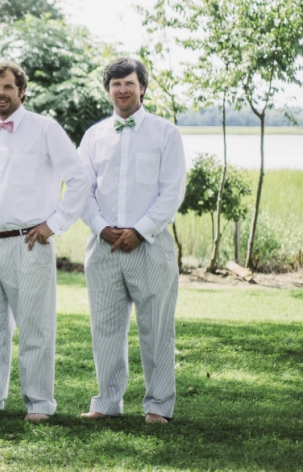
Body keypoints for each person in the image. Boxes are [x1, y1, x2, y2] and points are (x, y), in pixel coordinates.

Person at [0, 60, 91, 421]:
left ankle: (38, 404)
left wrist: (55, 224)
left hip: (29, 243)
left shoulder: (45, 129)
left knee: (34, 326)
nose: (0, 93)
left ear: (22, 90)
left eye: (7, 87)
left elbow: (79, 180)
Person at [78, 57, 186, 424]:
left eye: (129, 83)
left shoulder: (165, 133)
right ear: (107, 90)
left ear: (143, 87)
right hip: (104, 245)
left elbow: (172, 192)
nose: (122, 90)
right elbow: (82, 189)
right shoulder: (93, 136)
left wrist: (139, 231)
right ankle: (107, 402)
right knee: (105, 328)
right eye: (115, 84)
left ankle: (158, 405)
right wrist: (99, 226)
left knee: (156, 328)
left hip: (150, 245)